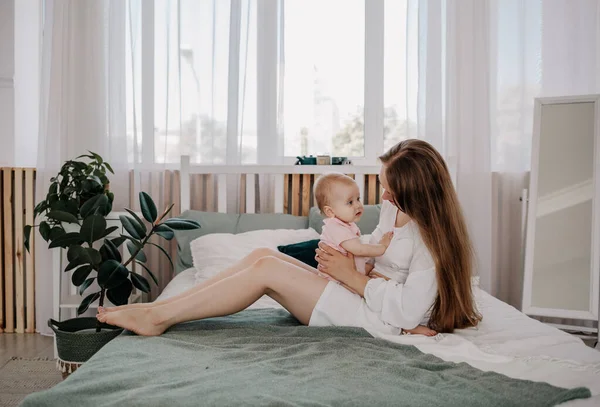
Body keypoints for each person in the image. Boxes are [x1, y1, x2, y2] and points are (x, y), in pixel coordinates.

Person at [97, 139, 481, 337]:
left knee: (265, 268)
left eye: (390, 192)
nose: (383, 199)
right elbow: (377, 259)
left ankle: (157, 316)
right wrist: (354, 271)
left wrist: (353, 277)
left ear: (416, 194)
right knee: (263, 253)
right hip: (359, 293)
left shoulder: (429, 242)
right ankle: (158, 311)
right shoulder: (397, 215)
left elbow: (406, 312)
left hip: (374, 317)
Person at [312, 172, 435, 336]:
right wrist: (381, 248)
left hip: (355, 279)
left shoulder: (427, 232)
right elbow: (361, 250)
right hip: (340, 279)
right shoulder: (337, 227)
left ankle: (404, 326)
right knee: (267, 257)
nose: (383, 196)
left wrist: (364, 272)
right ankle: (405, 327)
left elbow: (363, 255)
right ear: (330, 211)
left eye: (358, 199)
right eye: (350, 202)